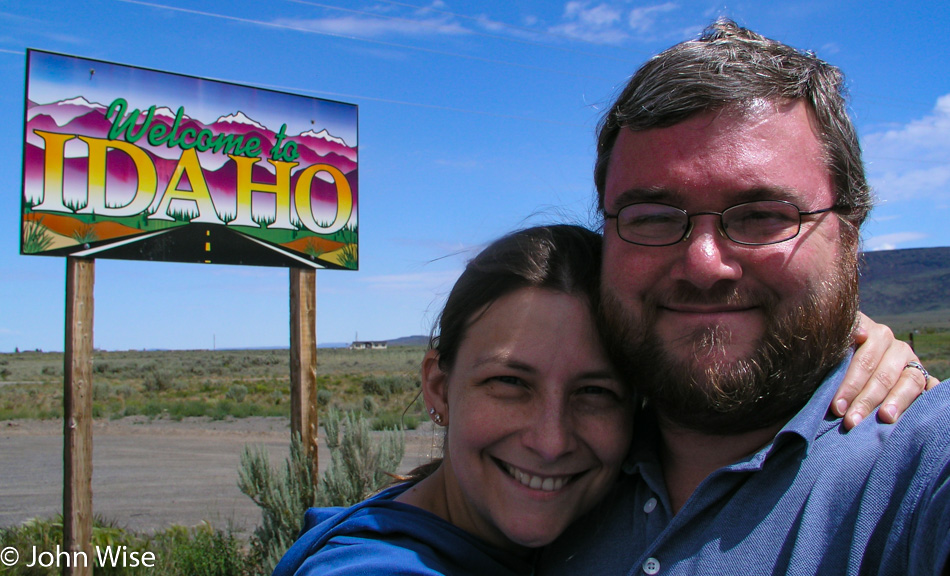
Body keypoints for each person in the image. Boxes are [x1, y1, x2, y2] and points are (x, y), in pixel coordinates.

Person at [273, 225, 931, 576]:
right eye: (510, 383)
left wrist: (828, 332)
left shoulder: (617, 482)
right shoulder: (373, 563)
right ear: (439, 388)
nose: (552, 439)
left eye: (596, 394)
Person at [539, 19, 949, 576]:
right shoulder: (546, 472)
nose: (704, 265)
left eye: (762, 216)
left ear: (849, 236)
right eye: (655, 218)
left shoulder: (921, 467)